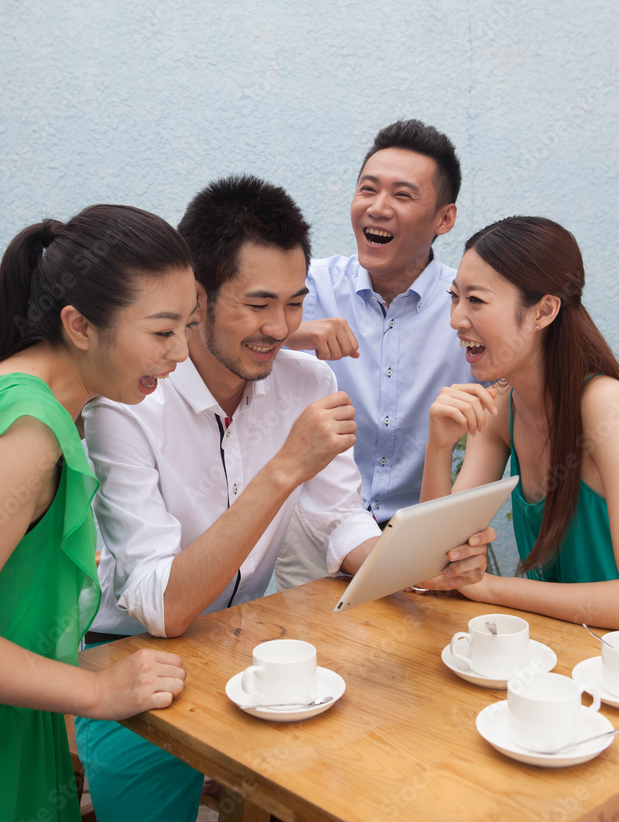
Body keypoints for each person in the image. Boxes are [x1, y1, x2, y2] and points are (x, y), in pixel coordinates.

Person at [76, 175, 492, 822]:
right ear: (196, 299)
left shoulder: (307, 379)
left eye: (296, 303)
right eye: (258, 304)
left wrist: (409, 563)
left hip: (250, 647)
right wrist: (284, 469)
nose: (279, 328)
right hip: (128, 661)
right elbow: (162, 606)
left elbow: (339, 520)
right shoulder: (128, 402)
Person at [0, 205, 196, 822]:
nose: (182, 353)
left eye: (189, 327)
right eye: (163, 332)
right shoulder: (27, 435)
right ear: (80, 325)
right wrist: (96, 689)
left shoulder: (3, 382)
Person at [277, 118, 473, 588]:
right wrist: (293, 331)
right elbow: (207, 326)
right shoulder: (308, 286)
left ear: (444, 218)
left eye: (403, 196)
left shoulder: (468, 306)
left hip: (425, 528)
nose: (378, 208)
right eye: (368, 190)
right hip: (315, 529)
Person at [421, 215, 619, 627]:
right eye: (454, 297)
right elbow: (435, 562)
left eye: (475, 300)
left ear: (543, 311)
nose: (457, 319)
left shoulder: (605, 406)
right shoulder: (501, 406)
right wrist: (439, 447)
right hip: (546, 659)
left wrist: (489, 586)